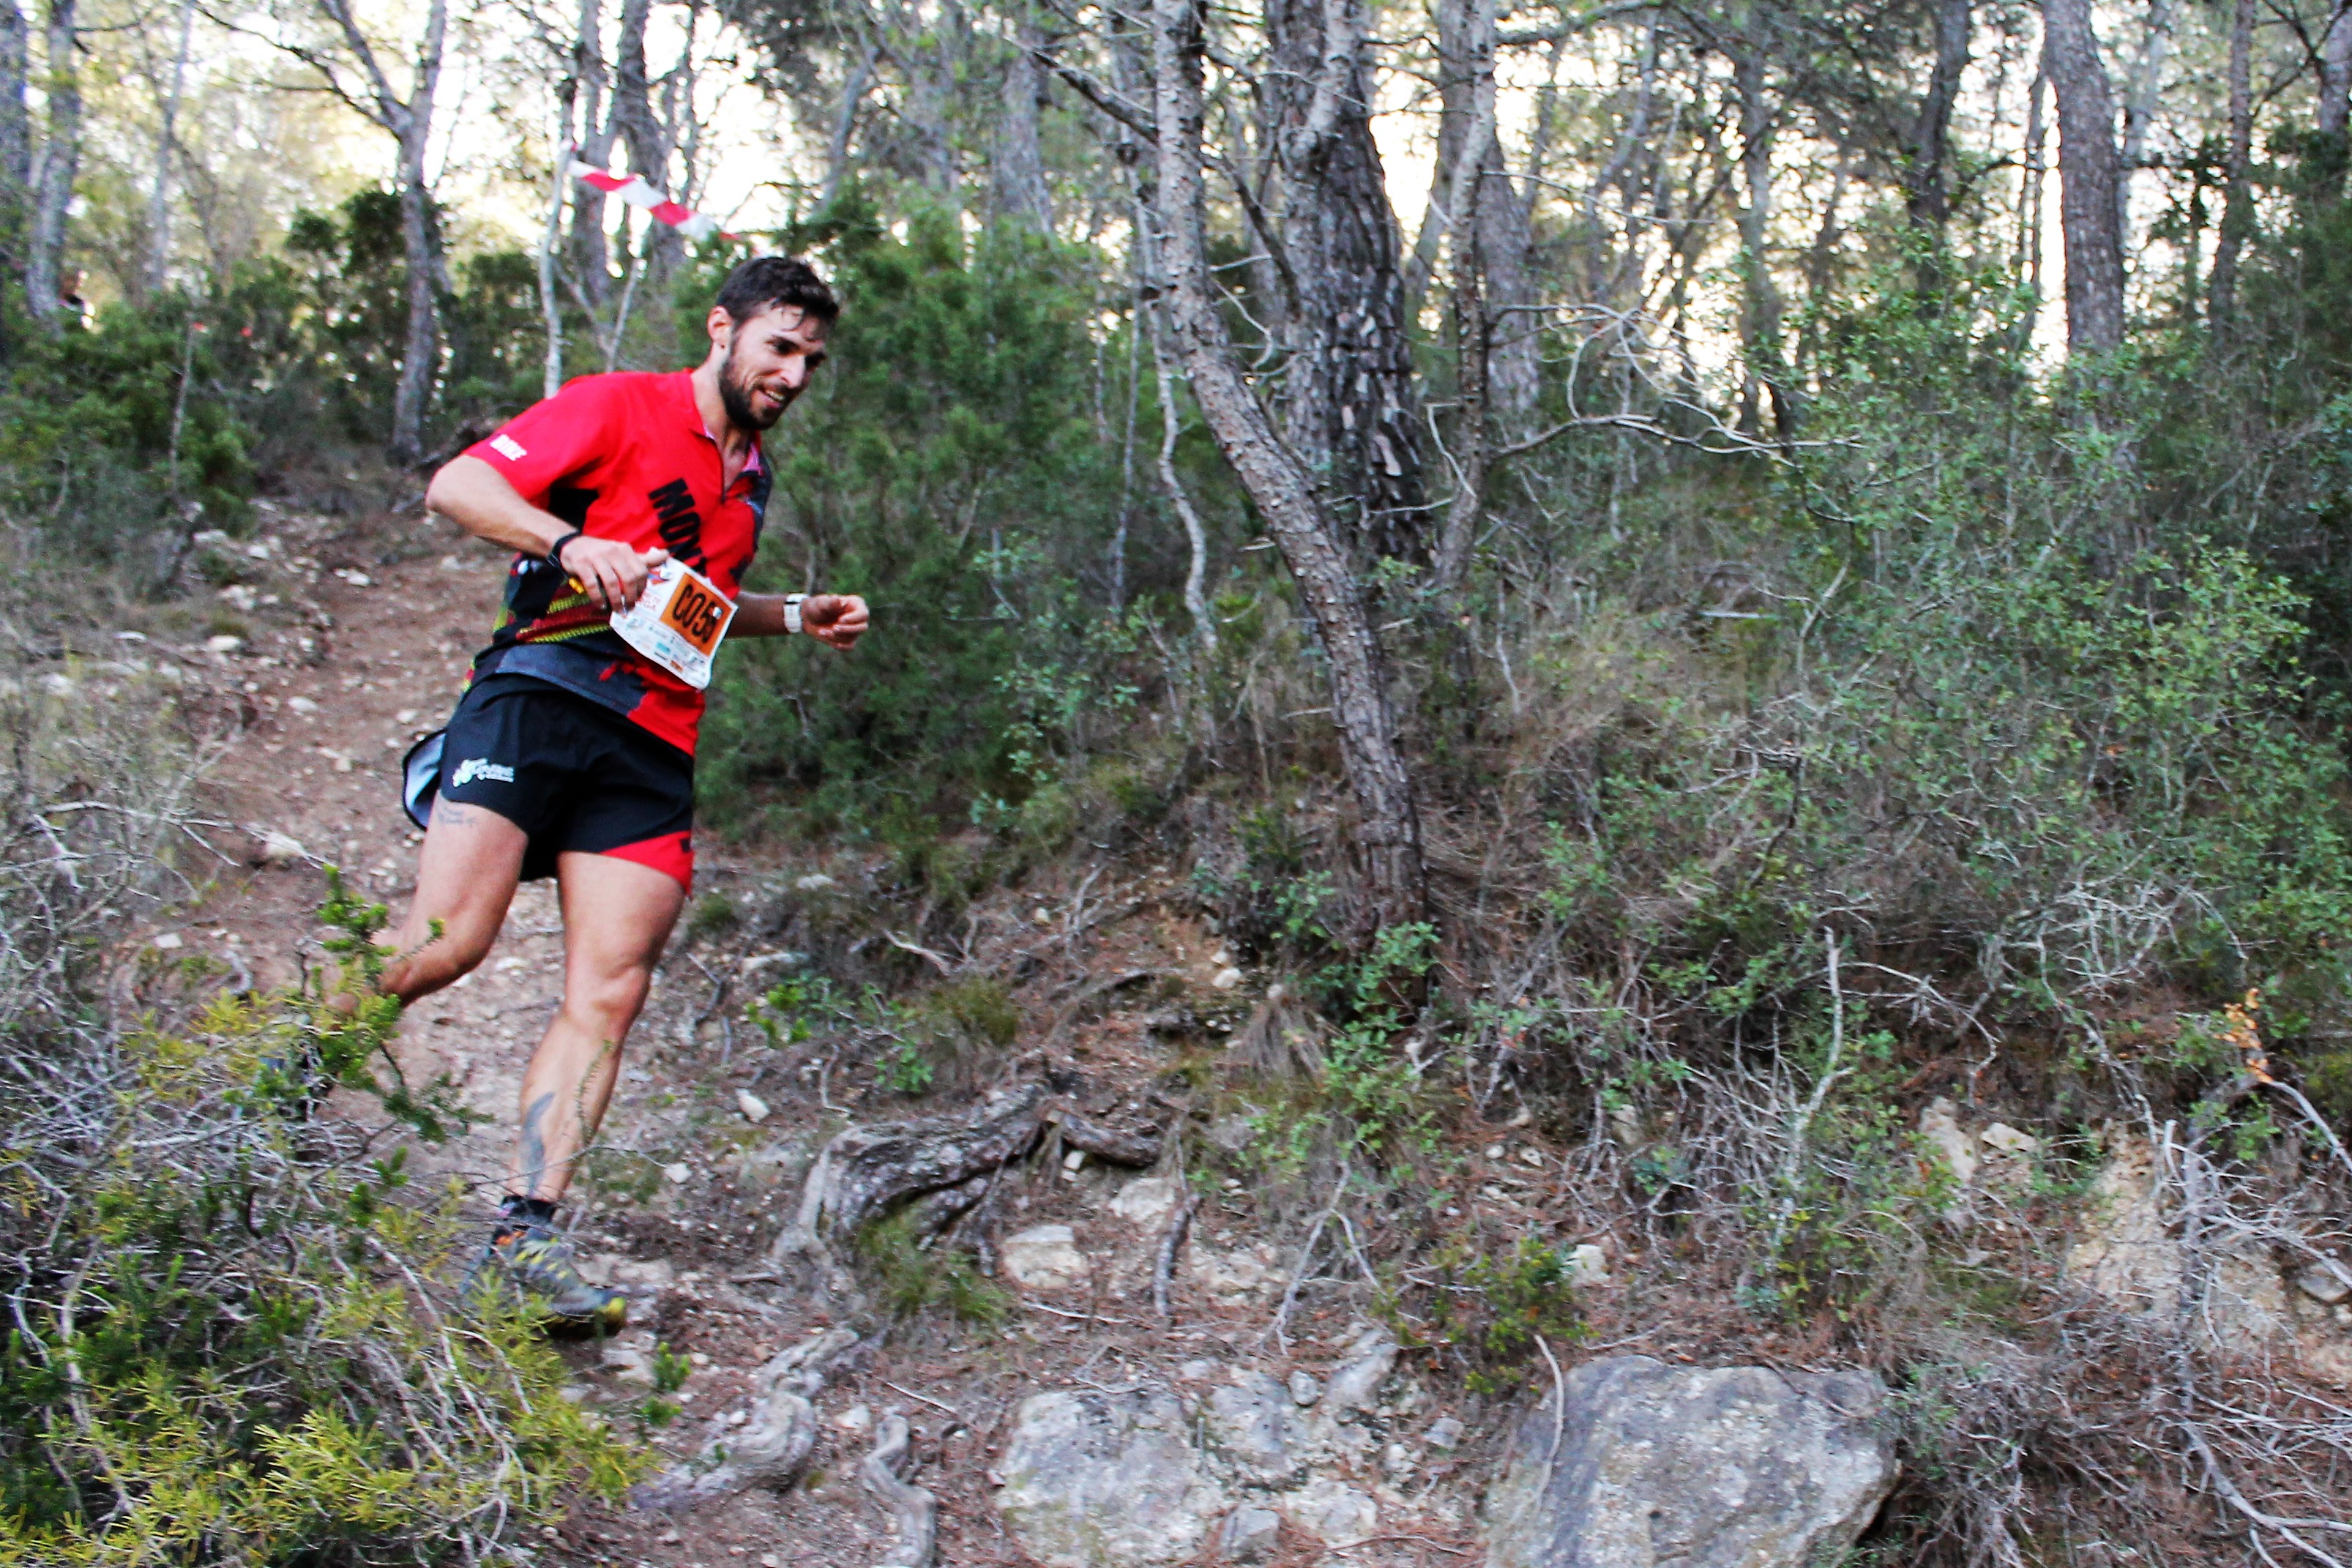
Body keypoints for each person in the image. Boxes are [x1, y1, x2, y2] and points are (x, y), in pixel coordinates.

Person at [384, 255, 867, 1329]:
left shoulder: (752, 476)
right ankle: (269, 1074)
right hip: (538, 696)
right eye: (779, 348)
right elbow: (458, 486)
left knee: (610, 991)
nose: (793, 374)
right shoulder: (617, 405)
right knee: (443, 945)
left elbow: (695, 607)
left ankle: (522, 1238)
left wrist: (795, 615)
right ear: (722, 329)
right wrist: (567, 541)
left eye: (811, 360)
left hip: (651, 744)